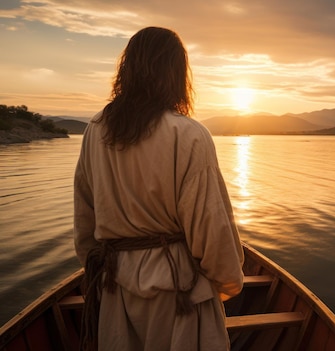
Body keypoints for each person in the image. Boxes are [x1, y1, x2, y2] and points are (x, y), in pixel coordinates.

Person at [74, 26, 244, 351]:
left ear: (128, 68)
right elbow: (211, 226)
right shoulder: (189, 134)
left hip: (114, 286)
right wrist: (227, 283)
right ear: (176, 74)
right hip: (176, 292)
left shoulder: (95, 130)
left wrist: (100, 266)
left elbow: (85, 219)